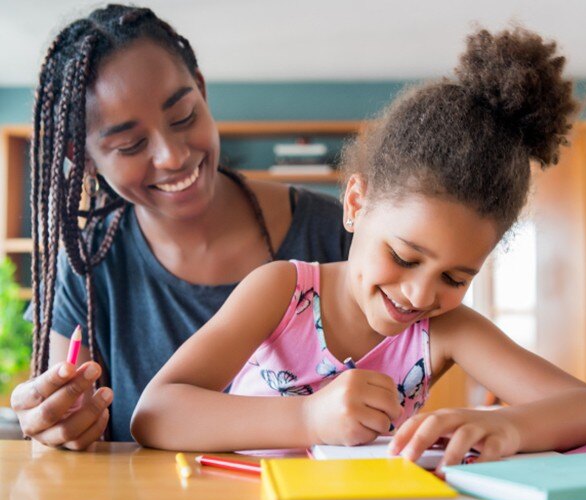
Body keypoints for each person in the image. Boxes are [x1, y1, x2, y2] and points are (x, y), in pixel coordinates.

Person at [132, 26, 586, 467]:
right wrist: (308, 418)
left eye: (455, 277)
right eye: (404, 257)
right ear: (356, 202)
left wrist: (510, 425)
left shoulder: (445, 329)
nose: (420, 296)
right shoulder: (282, 291)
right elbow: (156, 413)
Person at [10, 4, 351, 449]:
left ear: (202, 92)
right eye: (131, 144)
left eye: (184, 117)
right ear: (85, 157)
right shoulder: (87, 267)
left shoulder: (334, 232)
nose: (171, 156)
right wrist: (57, 427)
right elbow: (63, 438)